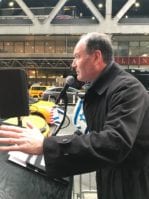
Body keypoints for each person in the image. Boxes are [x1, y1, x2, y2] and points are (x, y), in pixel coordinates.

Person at [0, 32, 149, 199]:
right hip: (112, 181)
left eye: (77, 57)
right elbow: (92, 137)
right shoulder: (102, 90)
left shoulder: (127, 89)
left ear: (96, 57)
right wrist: (50, 142)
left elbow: (114, 142)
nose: (73, 64)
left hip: (133, 187)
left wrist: (47, 146)